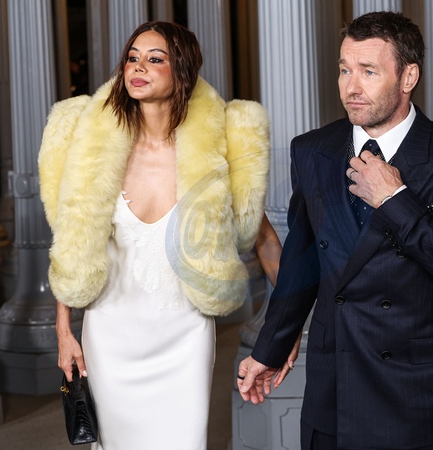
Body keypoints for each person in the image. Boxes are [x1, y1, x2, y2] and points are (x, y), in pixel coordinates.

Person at [237, 11, 433, 450]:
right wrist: (270, 348)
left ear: (408, 76)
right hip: (335, 382)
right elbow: (303, 262)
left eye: (369, 71)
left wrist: (395, 200)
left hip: (416, 388)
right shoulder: (313, 150)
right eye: (344, 70)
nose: (351, 87)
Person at [39, 21, 287, 450]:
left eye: (155, 59)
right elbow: (70, 240)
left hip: (184, 335)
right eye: (132, 58)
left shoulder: (212, 151)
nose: (138, 67)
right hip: (110, 335)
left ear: (184, 70)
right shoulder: (94, 148)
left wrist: (289, 323)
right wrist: (64, 331)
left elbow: (264, 240)